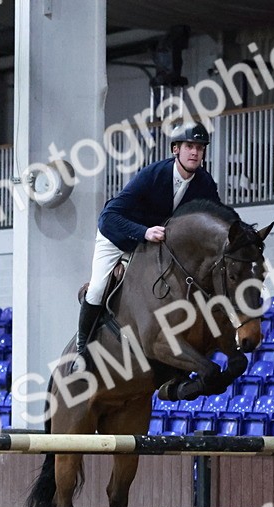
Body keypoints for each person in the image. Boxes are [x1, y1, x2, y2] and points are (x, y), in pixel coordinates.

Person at [73, 121, 221, 370]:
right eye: (189, 146)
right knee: (98, 287)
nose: (195, 152)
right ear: (176, 149)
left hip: (153, 242)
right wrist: (143, 232)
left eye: (200, 147)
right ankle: (81, 350)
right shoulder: (153, 175)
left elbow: (219, 216)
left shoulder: (204, 183)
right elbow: (110, 217)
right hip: (117, 235)